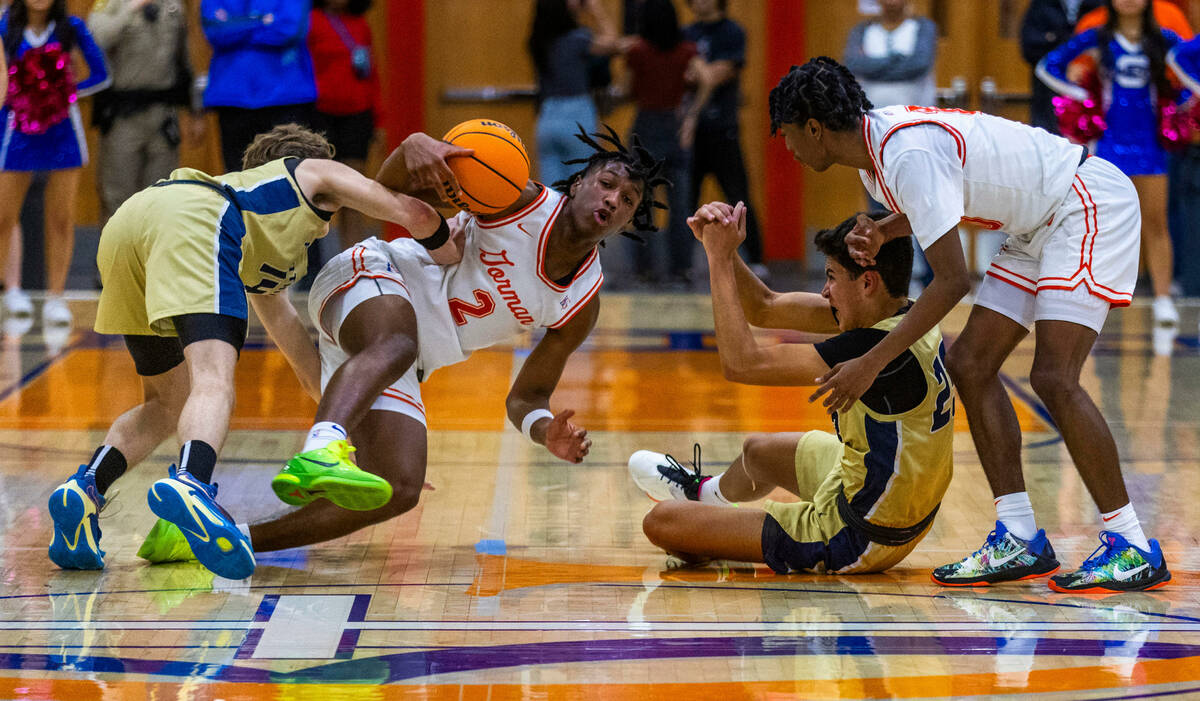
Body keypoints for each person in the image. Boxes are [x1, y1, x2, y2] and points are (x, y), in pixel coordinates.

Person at [133, 125, 669, 560]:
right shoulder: (513, 196)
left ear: (627, 221)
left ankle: (227, 539)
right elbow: (383, 193)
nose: (614, 199)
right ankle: (321, 447)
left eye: (627, 199)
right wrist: (409, 151)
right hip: (372, 278)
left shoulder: (582, 301)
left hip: (394, 360)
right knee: (397, 342)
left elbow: (524, 397)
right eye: (607, 184)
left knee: (399, 486)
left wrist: (543, 428)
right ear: (579, 184)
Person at [770, 57, 1170, 592]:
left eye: (788, 132)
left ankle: (1133, 543)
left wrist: (870, 361)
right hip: (1035, 223)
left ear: (814, 128)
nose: (787, 146)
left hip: (1081, 202)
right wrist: (888, 231)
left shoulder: (900, 153)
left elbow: (953, 281)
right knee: (970, 362)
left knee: (1054, 376)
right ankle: (1019, 535)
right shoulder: (878, 155)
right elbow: (941, 198)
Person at [45, 124, 455, 580]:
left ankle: (85, 491)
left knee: (165, 403)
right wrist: (451, 251)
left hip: (129, 226)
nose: (325, 224)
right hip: (194, 218)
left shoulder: (258, 249)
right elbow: (411, 212)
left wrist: (370, 450)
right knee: (214, 378)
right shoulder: (310, 171)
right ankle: (191, 483)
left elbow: (305, 365)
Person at [629, 208, 953, 575]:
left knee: (662, 522)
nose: (824, 290)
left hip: (860, 534)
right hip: (894, 500)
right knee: (759, 452)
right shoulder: (904, 316)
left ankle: (710, 532)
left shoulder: (870, 349)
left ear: (867, 282)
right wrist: (722, 246)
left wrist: (718, 262)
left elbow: (742, 363)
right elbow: (764, 307)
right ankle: (703, 495)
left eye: (830, 277)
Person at [1038, 0, 1185, 327]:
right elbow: (1048, 66)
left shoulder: (1164, 39)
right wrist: (1078, 95)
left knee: (1156, 223)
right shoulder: (1095, 37)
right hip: (1108, 143)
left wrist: (1185, 102)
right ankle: (1090, 299)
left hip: (1149, 145)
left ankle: (1162, 299)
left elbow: (1191, 62)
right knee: (1098, 227)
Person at [0, 0, 109, 329]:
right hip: (17, 129)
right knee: (4, 216)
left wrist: (67, 93)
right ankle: (10, 291)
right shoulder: (6, 27)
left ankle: (56, 296)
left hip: (62, 130)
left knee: (61, 217)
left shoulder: (71, 28)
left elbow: (102, 74)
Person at [89, 0, 203, 224]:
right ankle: (116, 258)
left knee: (162, 194)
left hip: (163, 115)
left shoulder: (173, 6)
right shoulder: (111, 4)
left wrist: (195, 110)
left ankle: (155, 258)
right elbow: (96, 39)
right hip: (123, 116)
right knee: (117, 195)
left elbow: (184, 60)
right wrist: (130, 10)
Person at [682, 0, 766, 282]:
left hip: (722, 127)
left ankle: (756, 259)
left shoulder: (732, 32)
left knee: (738, 194)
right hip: (690, 131)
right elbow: (682, 74)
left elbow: (719, 74)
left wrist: (700, 74)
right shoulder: (686, 32)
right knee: (686, 197)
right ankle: (683, 264)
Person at [619, 0, 700, 286]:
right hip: (675, 125)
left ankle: (646, 269)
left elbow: (628, 89)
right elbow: (700, 77)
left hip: (646, 128)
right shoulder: (688, 50)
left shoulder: (638, 51)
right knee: (680, 205)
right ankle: (682, 269)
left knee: (642, 203)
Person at [200, 0, 317, 173]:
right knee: (238, 177)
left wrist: (238, 22)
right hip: (233, 97)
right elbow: (216, 32)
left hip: (285, 97)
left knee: (290, 175)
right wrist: (262, 20)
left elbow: (290, 30)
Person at [308, 0, 383, 249]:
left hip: (357, 115)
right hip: (319, 114)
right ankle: (313, 269)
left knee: (354, 195)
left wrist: (379, 119)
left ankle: (355, 259)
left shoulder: (361, 24)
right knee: (318, 195)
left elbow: (371, 75)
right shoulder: (310, 21)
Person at [527, 0, 619, 187]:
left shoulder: (538, 41)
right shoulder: (578, 39)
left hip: (546, 119)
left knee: (553, 196)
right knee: (581, 190)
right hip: (577, 119)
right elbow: (613, 43)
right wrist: (595, 9)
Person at [1021, 0, 1105, 134]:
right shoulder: (1042, 4)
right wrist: (1065, 51)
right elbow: (1030, 47)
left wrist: (1053, 38)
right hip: (1047, 96)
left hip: (1090, 102)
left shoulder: (1101, 8)